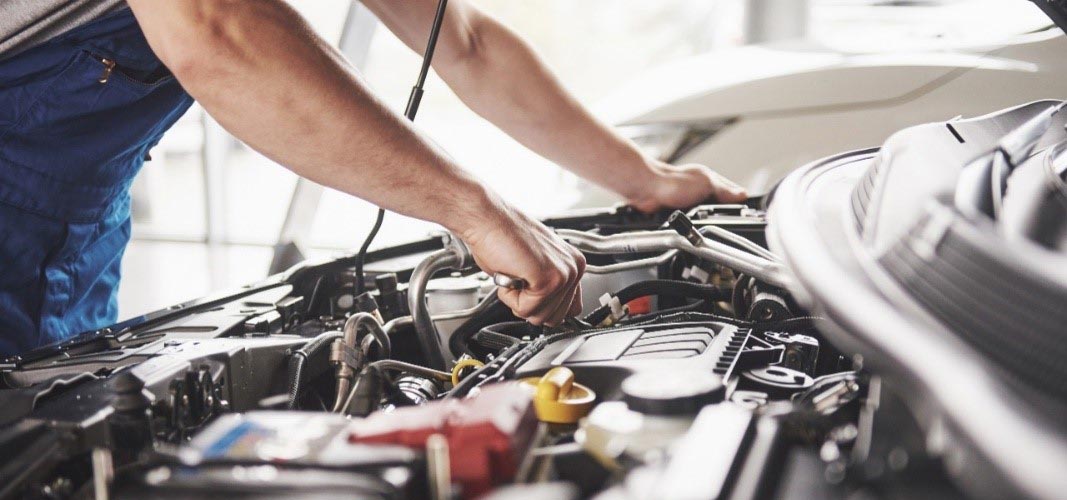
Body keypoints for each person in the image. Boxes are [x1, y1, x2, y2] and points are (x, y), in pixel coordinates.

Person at [0, 0, 746, 356]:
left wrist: (645, 180)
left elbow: (465, 43)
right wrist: (477, 213)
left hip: (73, 222)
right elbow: (217, 28)